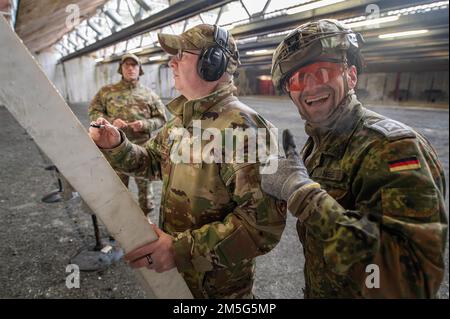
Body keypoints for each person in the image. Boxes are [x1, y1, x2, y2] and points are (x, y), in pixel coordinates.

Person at [89, 24, 286, 298]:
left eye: (181, 54)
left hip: (219, 290)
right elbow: (153, 162)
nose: (172, 61)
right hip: (178, 280)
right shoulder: (182, 120)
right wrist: (118, 145)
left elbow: (262, 227)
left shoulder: (246, 130)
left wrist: (178, 249)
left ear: (212, 64)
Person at [261, 19, 448, 298]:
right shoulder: (318, 145)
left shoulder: (392, 149)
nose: (310, 87)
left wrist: (302, 195)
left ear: (350, 76)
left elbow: (411, 283)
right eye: (298, 79)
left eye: (322, 72)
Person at [88, 53, 167, 216]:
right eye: (127, 65)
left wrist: (144, 124)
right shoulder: (106, 92)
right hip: (115, 151)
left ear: (140, 69)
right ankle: (122, 226)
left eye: (134, 65)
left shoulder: (149, 94)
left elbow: (161, 118)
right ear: (121, 69)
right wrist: (110, 122)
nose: (130, 68)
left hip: (143, 151)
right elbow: (93, 111)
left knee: (145, 192)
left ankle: (146, 223)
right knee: (117, 191)